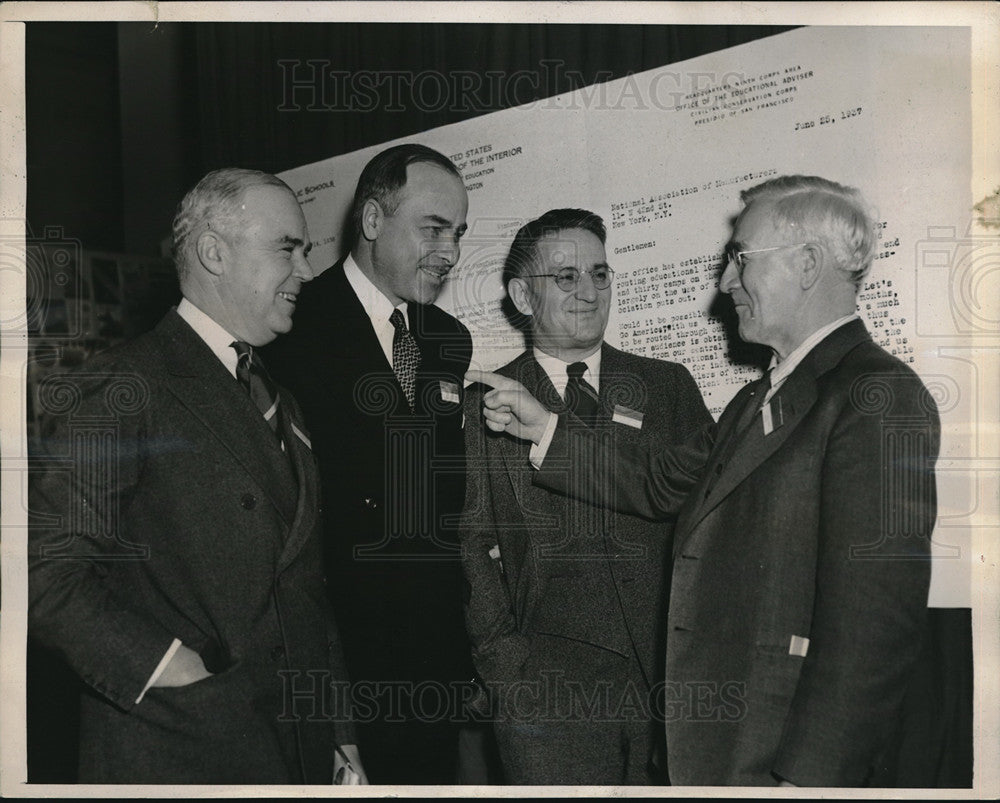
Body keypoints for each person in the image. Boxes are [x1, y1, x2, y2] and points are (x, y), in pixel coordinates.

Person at [469, 176, 940, 787]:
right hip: (718, 741)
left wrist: (809, 779)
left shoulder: (875, 396)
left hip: (783, 753)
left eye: (740, 259)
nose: (724, 282)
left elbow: (873, 628)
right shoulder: (756, 399)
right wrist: (546, 433)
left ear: (806, 265)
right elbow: (662, 481)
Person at [28, 168, 364, 784]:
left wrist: (338, 737)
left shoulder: (282, 401)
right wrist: (170, 669)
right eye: (286, 249)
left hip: (297, 749)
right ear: (214, 252)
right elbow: (44, 572)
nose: (307, 273)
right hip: (182, 746)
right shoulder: (124, 384)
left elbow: (305, 590)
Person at [460, 209, 711, 784]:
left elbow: (707, 512)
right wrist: (507, 674)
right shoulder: (482, 404)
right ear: (522, 295)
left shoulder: (668, 386)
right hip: (546, 695)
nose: (589, 292)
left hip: (671, 685)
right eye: (566, 277)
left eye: (600, 274)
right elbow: (469, 549)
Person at [264, 144, 483, 784]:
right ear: (372, 221)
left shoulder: (447, 339)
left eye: (459, 233)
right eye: (433, 229)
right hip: (338, 662)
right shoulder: (294, 326)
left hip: (431, 661)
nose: (451, 252)